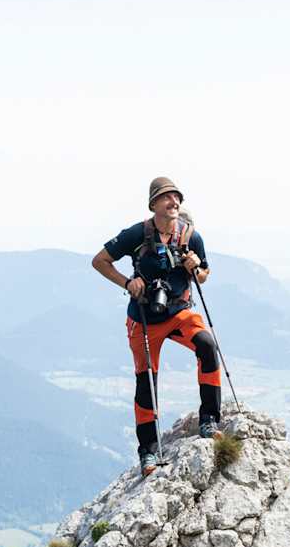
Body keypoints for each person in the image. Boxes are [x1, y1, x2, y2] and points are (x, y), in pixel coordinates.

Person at [91, 177, 223, 477]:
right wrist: (128, 282)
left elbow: (204, 275)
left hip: (179, 312)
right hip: (144, 317)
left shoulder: (191, 236)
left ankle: (209, 420)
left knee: (207, 345)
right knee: (146, 380)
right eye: (167, 198)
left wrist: (195, 268)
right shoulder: (137, 234)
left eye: (177, 198)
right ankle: (148, 451)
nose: (174, 202)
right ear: (154, 205)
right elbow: (99, 261)